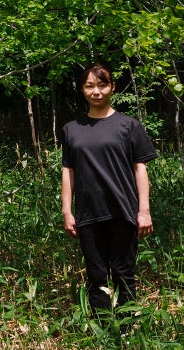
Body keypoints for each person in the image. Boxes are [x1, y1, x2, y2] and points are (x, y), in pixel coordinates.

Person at [62, 62, 156, 312]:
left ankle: (126, 331)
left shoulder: (129, 126)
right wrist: (67, 211)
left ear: (112, 87)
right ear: (82, 90)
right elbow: (68, 171)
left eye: (102, 85)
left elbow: (140, 169)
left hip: (123, 210)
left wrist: (143, 210)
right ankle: (102, 332)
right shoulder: (72, 129)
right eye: (90, 86)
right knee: (96, 276)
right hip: (88, 214)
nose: (96, 91)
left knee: (124, 273)